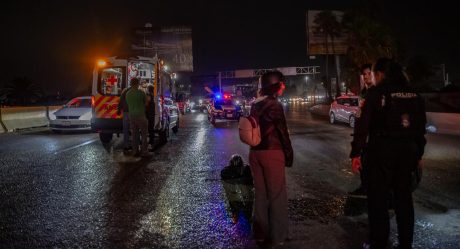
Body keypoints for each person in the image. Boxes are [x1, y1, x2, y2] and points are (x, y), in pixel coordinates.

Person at [350, 58, 427, 249]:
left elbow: (362, 126)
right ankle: (406, 243)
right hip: (408, 152)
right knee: (404, 198)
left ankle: (378, 242)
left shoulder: (375, 94)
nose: (373, 78)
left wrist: (356, 153)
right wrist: (418, 154)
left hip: (381, 151)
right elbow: (420, 128)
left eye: (374, 74)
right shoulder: (414, 94)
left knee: (378, 199)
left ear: (381, 74)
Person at [249, 71, 293, 248]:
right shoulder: (274, 105)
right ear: (274, 85)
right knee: (277, 195)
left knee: (260, 194)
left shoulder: (255, 104)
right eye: (281, 84)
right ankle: (278, 237)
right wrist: (289, 154)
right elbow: (282, 131)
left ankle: (260, 234)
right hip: (272, 153)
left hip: (255, 153)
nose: (283, 86)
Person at [349, 63, 375, 198]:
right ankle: (364, 187)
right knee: (363, 162)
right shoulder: (364, 93)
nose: (366, 76)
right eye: (364, 74)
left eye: (368, 73)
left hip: (374, 136)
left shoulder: (377, 92)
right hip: (364, 135)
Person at [125, 78, 150, 157]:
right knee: (144, 135)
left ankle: (135, 151)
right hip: (141, 116)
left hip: (131, 116)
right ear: (138, 84)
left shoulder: (127, 94)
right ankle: (144, 151)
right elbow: (146, 103)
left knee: (134, 135)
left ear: (131, 84)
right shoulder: (141, 93)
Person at [117, 84, 132, 152]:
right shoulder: (137, 91)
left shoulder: (125, 91)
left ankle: (126, 145)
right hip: (133, 113)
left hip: (126, 112)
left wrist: (119, 110)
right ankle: (134, 145)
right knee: (134, 129)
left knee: (125, 129)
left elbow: (121, 101)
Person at [146, 84, 156, 150]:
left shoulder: (149, 94)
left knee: (150, 128)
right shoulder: (153, 95)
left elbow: (147, 103)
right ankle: (151, 141)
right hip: (152, 113)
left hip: (149, 114)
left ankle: (151, 142)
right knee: (151, 128)